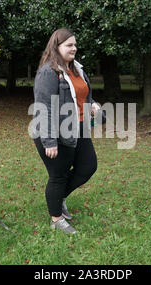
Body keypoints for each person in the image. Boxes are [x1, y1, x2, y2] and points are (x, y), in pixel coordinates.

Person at [32, 28, 100, 234]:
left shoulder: (76, 69)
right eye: (69, 45)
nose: (74, 48)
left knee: (88, 167)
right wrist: (50, 140)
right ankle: (56, 218)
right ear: (57, 47)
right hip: (55, 131)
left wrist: (93, 105)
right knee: (58, 175)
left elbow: (83, 95)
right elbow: (44, 107)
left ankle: (58, 197)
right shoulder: (48, 72)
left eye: (75, 45)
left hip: (78, 128)